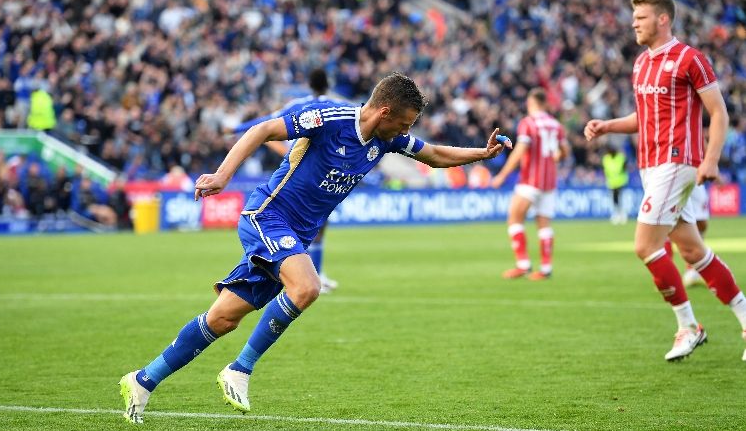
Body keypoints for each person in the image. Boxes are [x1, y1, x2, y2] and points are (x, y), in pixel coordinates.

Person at [119, 72, 512, 423]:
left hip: (296, 235)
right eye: (404, 123)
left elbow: (437, 155)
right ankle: (240, 368)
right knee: (307, 287)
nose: (405, 131)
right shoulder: (329, 119)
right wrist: (223, 175)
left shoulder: (387, 140)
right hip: (268, 216)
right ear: (385, 111)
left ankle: (142, 380)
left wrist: (483, 153)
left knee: (223, 319)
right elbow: (261, 131)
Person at [584, 0, 746, 362]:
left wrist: (711, 159)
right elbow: (644, 116)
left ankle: (689, 326)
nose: (633, 24)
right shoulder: (641, 63)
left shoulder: (691, 59)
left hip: (678, 161)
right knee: (692, 250)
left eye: (640, 18)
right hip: (650, 165)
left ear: (662, 19)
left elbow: (718, 112)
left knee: (645, 245)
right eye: (633, 18)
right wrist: (609, 125)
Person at [235, 68, 342, 293]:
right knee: (315, 225)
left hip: (296, 168)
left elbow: (265, 121)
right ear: (327, 84)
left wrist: (235, 129)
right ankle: (311, 274)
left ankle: (311, 275)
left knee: (295, 222)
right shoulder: (336, 105)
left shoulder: (298, 104)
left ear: (310, 84)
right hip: (322, 171)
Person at [491, 88, 569, 281]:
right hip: (549, 182)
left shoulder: (528, 123)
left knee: (514, 218)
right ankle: (545, 268)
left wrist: (502, 175)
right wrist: (558, 156)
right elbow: (565, 150)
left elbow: (520, 150)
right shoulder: (556, 125)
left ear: (531, 103)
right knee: (544, 225)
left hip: (530, 180)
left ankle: (523, 265)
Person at [681, 184, 709, 287]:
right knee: (701, 223)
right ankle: (692, 271)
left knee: (667, 220)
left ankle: (692, 270)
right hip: (690, 175)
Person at [602, 145, 629, 225]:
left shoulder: (620, 157)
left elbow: (624, 167)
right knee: (614, 200)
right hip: (611, 183)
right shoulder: (606, 159)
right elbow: (606, 170)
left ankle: (622, 215)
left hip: (620, 182)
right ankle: (616, 215)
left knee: (620, 199)